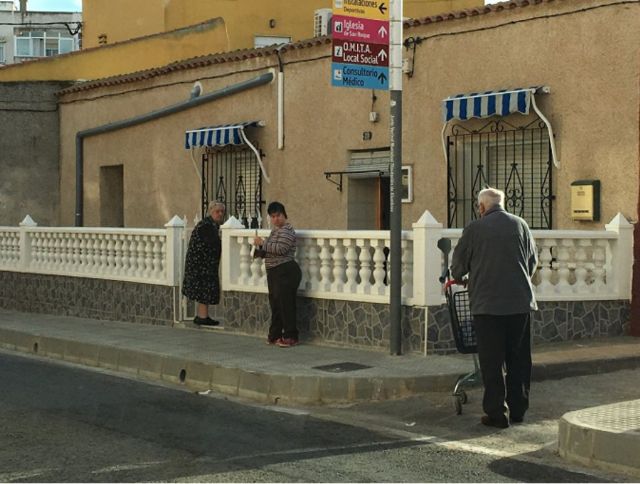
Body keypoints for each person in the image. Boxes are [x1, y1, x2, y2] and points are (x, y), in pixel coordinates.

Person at [451, 187, 538, 429]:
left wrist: (462, 276)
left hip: (487, 306)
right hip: (520, 303)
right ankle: (519, 410)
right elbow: (532, 262)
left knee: (492, 361)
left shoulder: (474, 229)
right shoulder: (521, 225)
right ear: (503, 203)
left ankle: (497, 414)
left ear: (481, 207)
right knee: (519, 359)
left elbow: (457, 267)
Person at [253, 201, 302, 347]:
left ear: (284, 215)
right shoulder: (275, 231)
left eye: (278, 215)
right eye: (273, 216)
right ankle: (274, 335)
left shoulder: (287, 230)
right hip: (274, 271)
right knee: (275, 304)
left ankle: (290, 336)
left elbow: (281, 249)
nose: (276, 219)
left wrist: (263, 243)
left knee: (285, 304)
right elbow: (270, 249)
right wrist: (259, 251)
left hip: (285, 270)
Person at [182, 201, 226, 327]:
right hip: (201, 265)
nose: (220, 214)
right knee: (203, 289)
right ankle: (202, 317)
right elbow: (212, 244)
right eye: (217, 211)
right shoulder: (206, 225)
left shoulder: (210, 225)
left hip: (202, 264)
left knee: (203, 290)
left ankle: (202, 316)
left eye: (222, 212)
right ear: (211, 212)